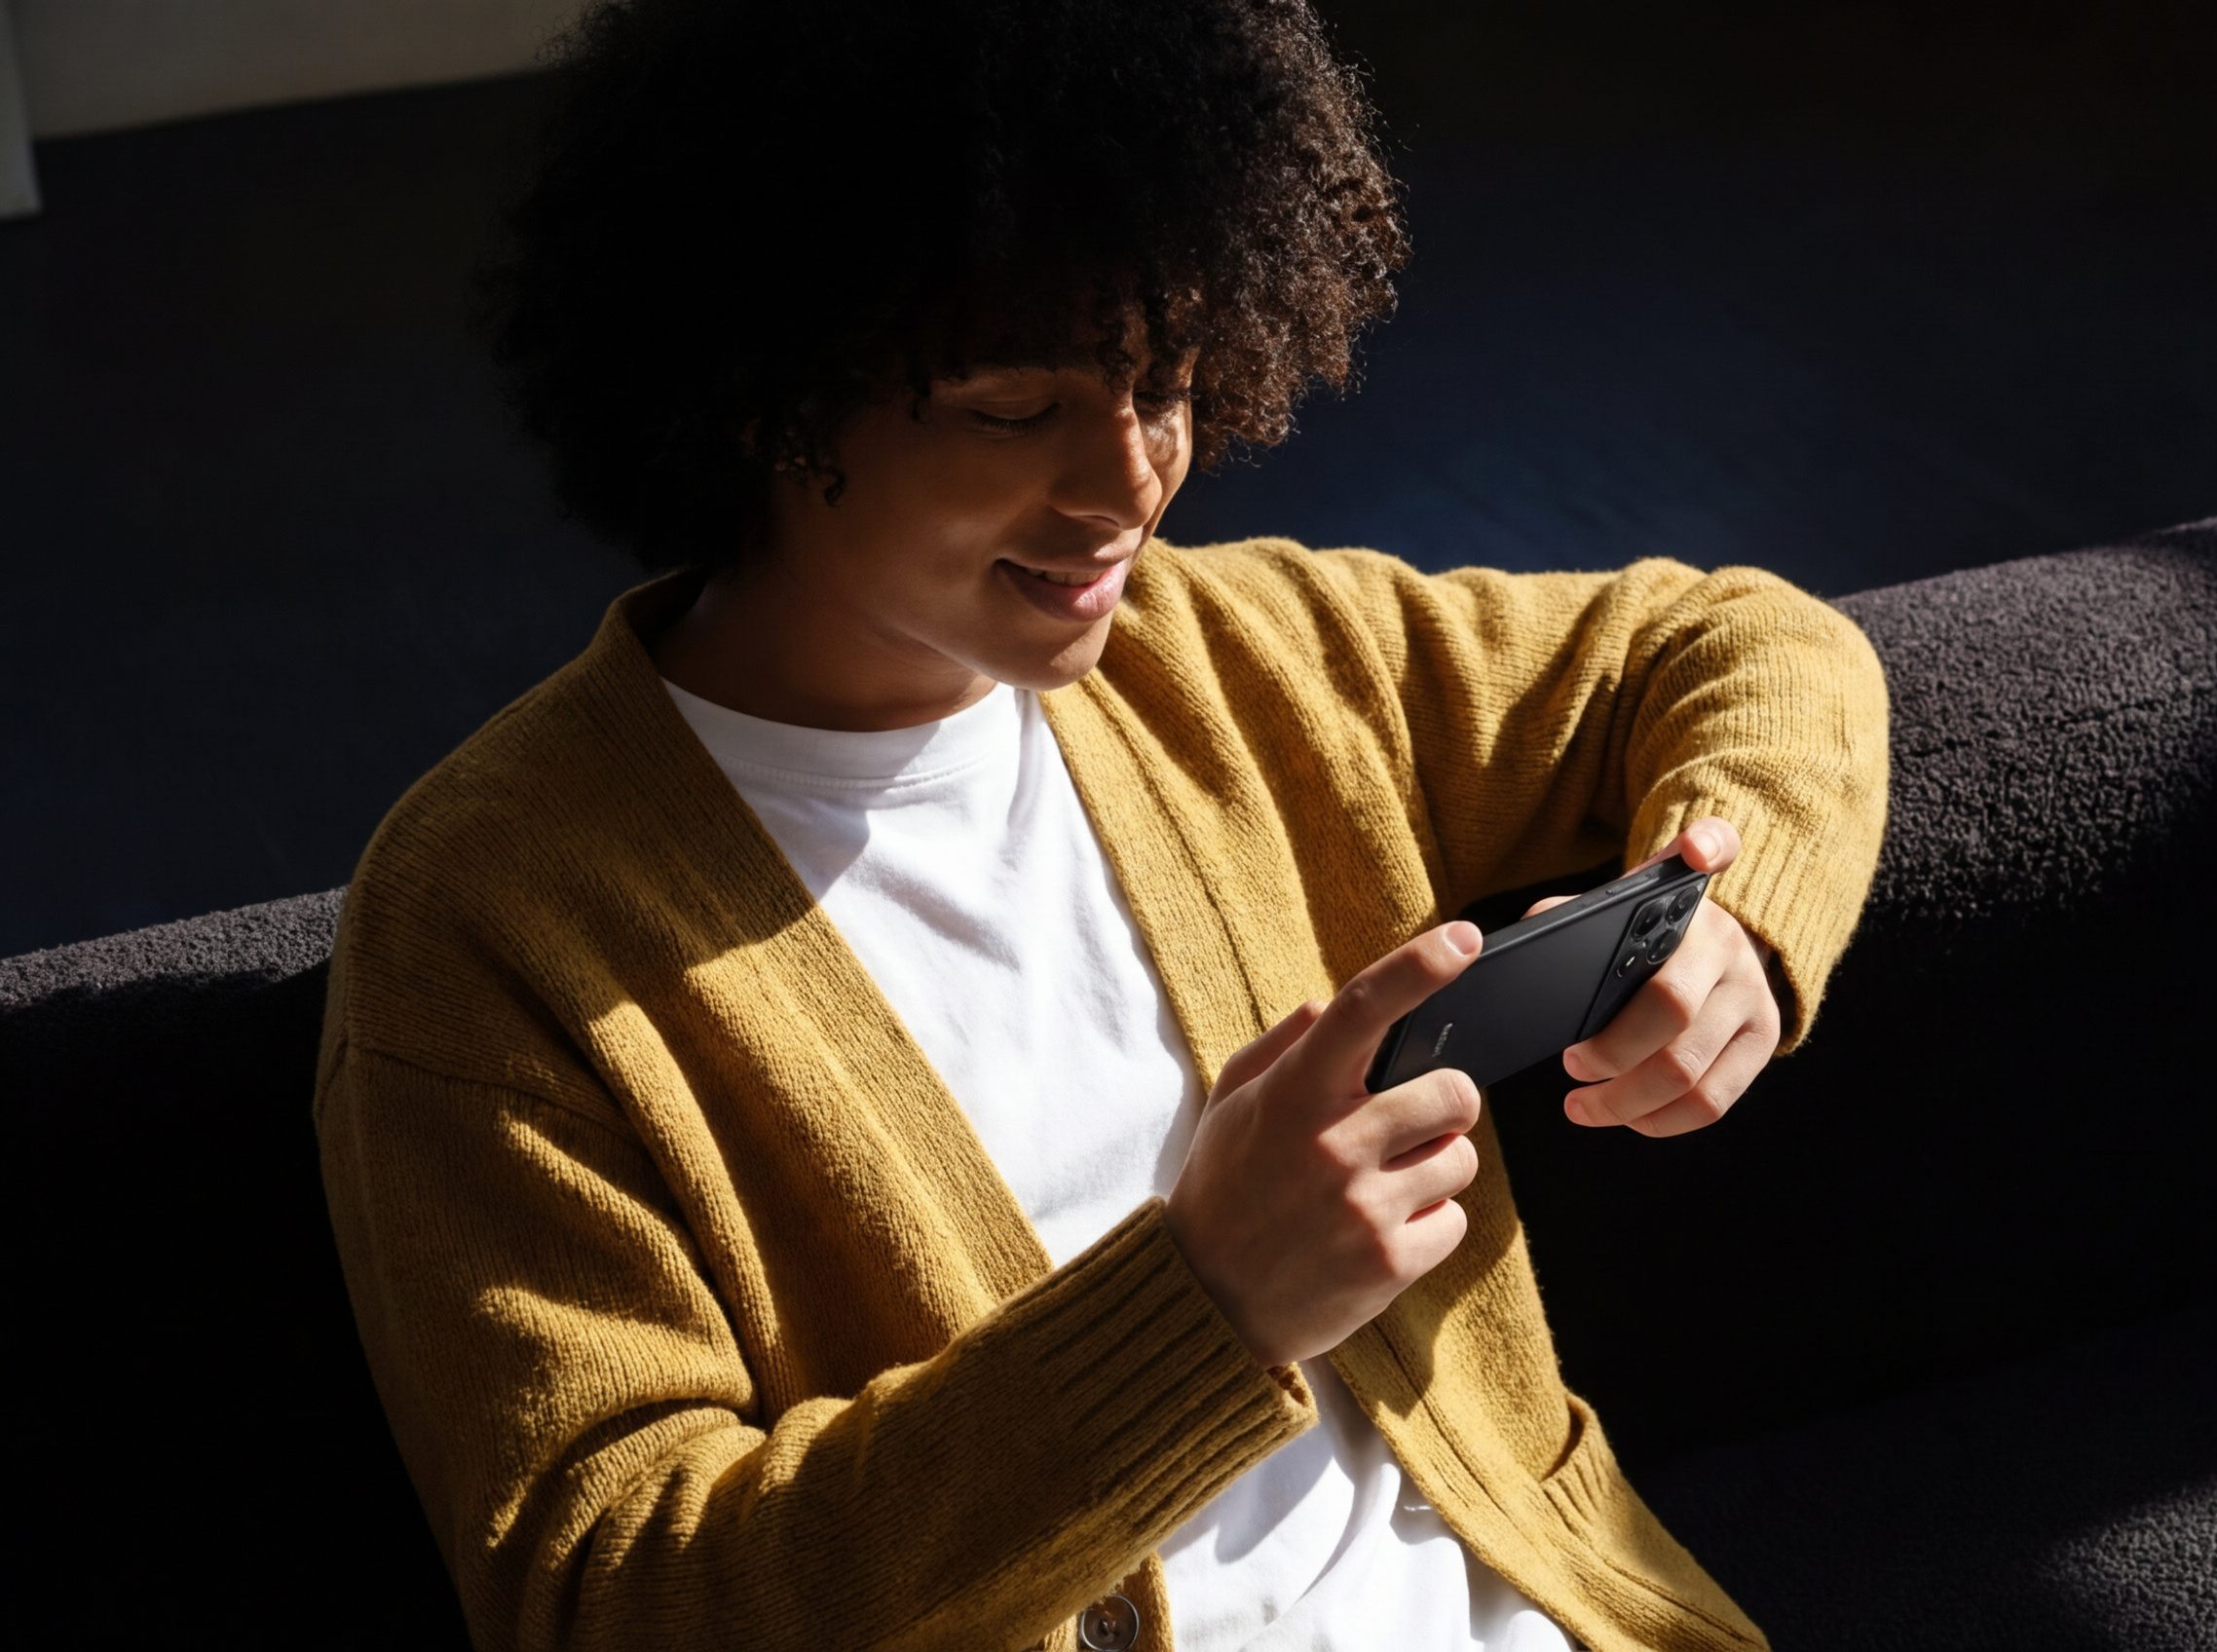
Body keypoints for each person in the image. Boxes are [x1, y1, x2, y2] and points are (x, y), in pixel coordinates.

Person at [314, 1, 1889, 1647]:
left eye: (1172, 379)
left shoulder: (1242, 655)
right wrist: (1204, 1308)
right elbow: (615, 1600)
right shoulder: (491, 924)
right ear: (766, 384)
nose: (1130, 482)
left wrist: (1736, 905)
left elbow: (1745, 642)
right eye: (1013, 408)